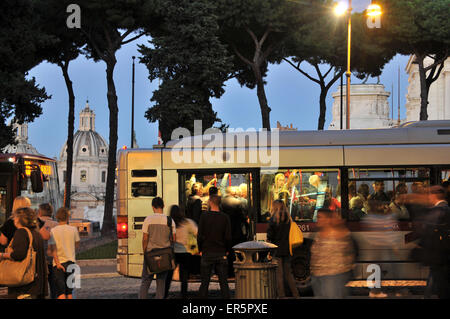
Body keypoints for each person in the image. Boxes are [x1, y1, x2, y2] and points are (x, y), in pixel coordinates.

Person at [0, 207, 48, 299]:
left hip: (25, 286)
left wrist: (2, 255)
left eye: (15, 217)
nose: (14, 219)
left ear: (19, 219)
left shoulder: (21, 232)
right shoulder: (36, 233)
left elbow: (18, 254)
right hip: (36, 283)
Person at [310, 209, 355, 298]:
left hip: (333, 276)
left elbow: (350, 254)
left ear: (328, 219)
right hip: (317, 276)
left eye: (320, 217)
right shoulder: (317, 235)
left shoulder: (339, 235)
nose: (317, 220)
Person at [139, 197, 176, 299]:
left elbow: (145, 239)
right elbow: (174, 239)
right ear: (163, 206)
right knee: (161, 282)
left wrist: (145, 252)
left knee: (146, 281)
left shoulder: (148, 219)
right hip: (164, 256)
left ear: (152, 207)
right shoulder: (170, 220)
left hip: (150, 254)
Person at [197, 194, 232, 299]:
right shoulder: (225, 217)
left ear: (210, 202)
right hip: (221, 252)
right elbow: (228, 237)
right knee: (223, 282)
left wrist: (200, 249)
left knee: (205, 282)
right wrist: (227, 250)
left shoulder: (204, 216)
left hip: (207, 251)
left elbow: (200, 235)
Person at [418, 186, 449, 299]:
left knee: (437, 274)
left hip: (437, 251)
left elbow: (427, 229)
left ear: (434, 195)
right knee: (436, 273)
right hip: (441, 251)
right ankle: (428, 295)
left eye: (430, 195)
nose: (428, 197)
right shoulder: (446, 208)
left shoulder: (438, 210)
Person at [266, 200, 300, 298]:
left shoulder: (273, 220)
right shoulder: (288, 219)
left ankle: (281, 296)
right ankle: (296, 295)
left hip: (277, 250)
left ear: (274, 207)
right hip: (287, 250)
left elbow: (270, 235)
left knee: (279, 275)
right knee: (289, 274)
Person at [164, 205, 198, 299]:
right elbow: (196, 233)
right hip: (185, 252)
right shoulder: (188, 222)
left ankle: (164, 295)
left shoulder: (168, 223)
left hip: (172, 253)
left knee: (168, 277)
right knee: (184, 278)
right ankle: (184, 295)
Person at [48, 207, 80, 299]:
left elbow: (52, 249)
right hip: (71, 262)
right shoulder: (73, 230)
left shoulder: (53, 231)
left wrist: (57, 263)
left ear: (57, 217)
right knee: (69, 291)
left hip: (58, 264)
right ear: (67, 217)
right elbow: (77, 245)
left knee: (61, 292)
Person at [37, 203, 58, 298]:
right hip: (53, 259)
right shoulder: (56, 225)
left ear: (40, 212)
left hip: (40, 260)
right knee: (54, 286)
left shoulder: (36, 224)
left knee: (40, 287)